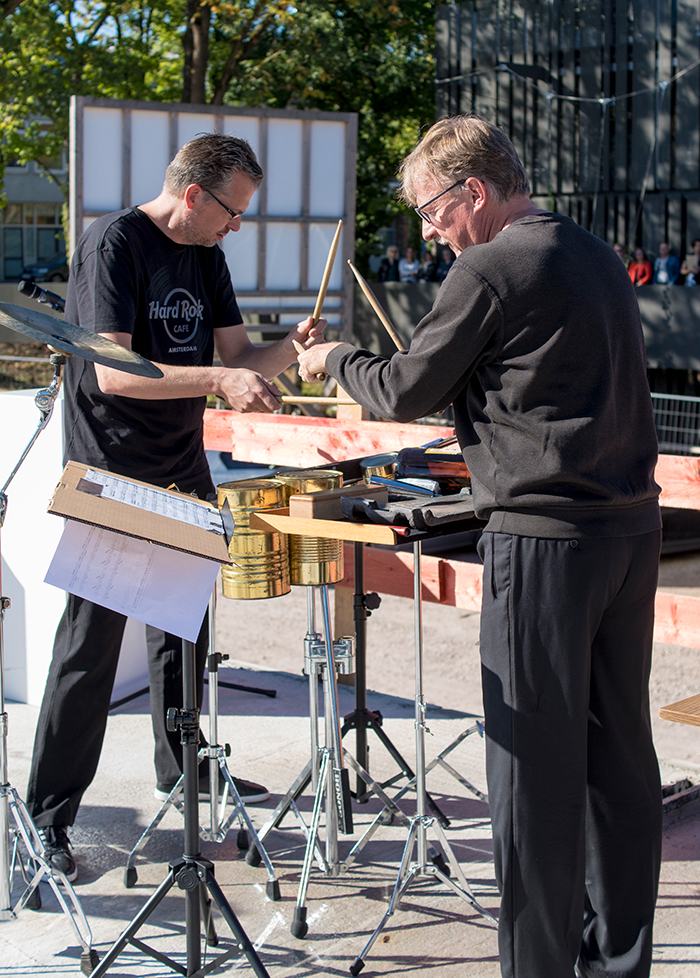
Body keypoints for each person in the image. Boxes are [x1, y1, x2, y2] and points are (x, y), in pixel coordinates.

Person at [297, 114, 662, 978]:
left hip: (544, 544)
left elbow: (402, 389)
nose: (429, 233)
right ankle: (619, 965)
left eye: (431, 212)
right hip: (627, 533)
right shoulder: (590, 250)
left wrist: (334, 360)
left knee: (532, 776)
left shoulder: (490, 264)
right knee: (618, 765)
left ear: (476, 192)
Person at [27, 133, 326, 882]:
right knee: (89, 650)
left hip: (181, 466)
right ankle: (48, 819)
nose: (236, 227)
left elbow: (236, 359)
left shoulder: (206, 257)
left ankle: (181, 769)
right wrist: (220, 383)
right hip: (113, 470)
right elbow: (116, 374)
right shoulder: (114, 243)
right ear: (194, 195)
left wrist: (289, 349)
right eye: (231, 211)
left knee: (184, 635)